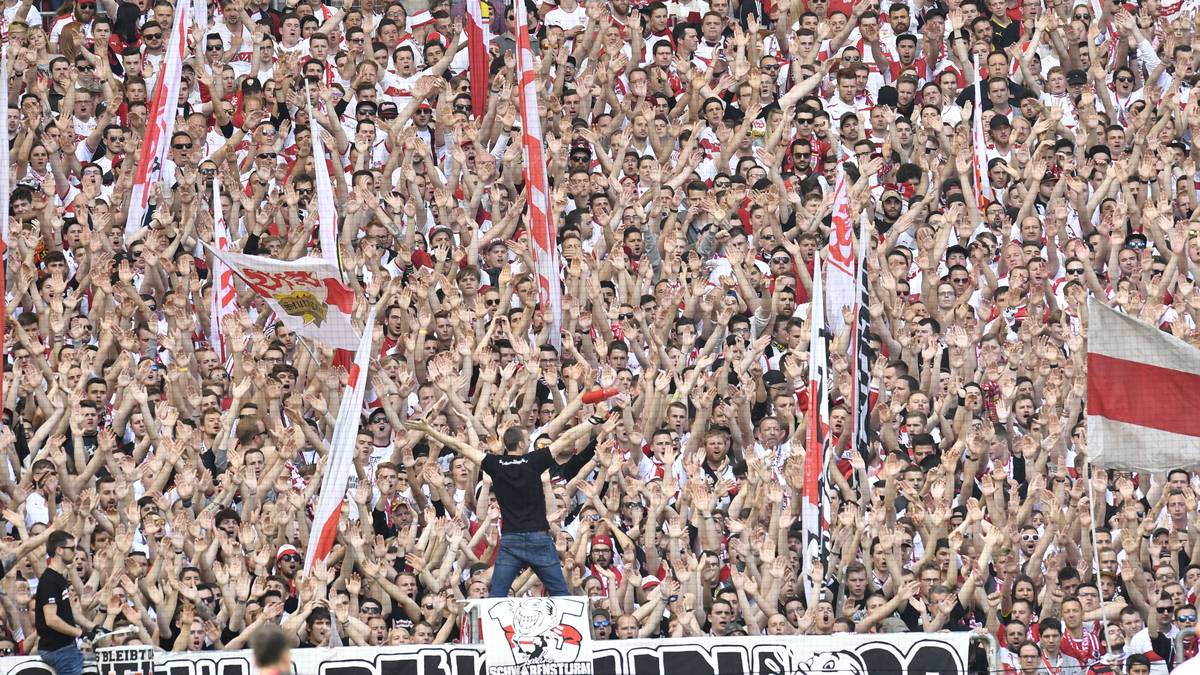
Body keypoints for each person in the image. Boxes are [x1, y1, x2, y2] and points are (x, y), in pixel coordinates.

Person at [406, 408, 610, 597]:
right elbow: (567, 438)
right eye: (527, 439)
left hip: (511, 541)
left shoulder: (495, 463)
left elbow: (460, 446)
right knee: (561, 594)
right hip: (538, 539)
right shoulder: (534, 460)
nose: (529, 441)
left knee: (497, 596)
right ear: (521, 444)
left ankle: (491, 636)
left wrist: (429, 429)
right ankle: (570, 635)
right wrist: (594, 420)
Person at [36, 532, 90, 675]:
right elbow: (51, 619)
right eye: (72, 548)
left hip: (65, 648)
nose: (75, 552)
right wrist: (79, 632)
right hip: (58, 650)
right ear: (59, 550)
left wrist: (92, 627)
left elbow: (69, 612)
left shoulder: (59, 577)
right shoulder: (49, 580)